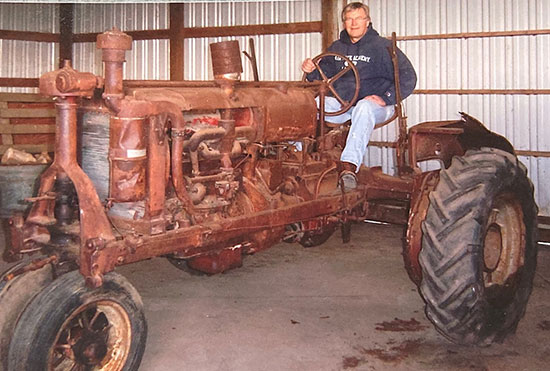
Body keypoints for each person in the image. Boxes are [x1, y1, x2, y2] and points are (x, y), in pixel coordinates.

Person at [302, 2, 417, 189]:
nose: (353, 23)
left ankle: (349, 166)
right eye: (349, 19)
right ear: (344, 23)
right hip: (344, 105)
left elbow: (408, 77)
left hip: (378, 107)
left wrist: (386, 97)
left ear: (368, 21)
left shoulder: (383, 47)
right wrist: (311, 70)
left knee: (364, 107)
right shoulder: (337, 47)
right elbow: (320, 74)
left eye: (358, 19)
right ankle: (296, 155)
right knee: (312, 104)